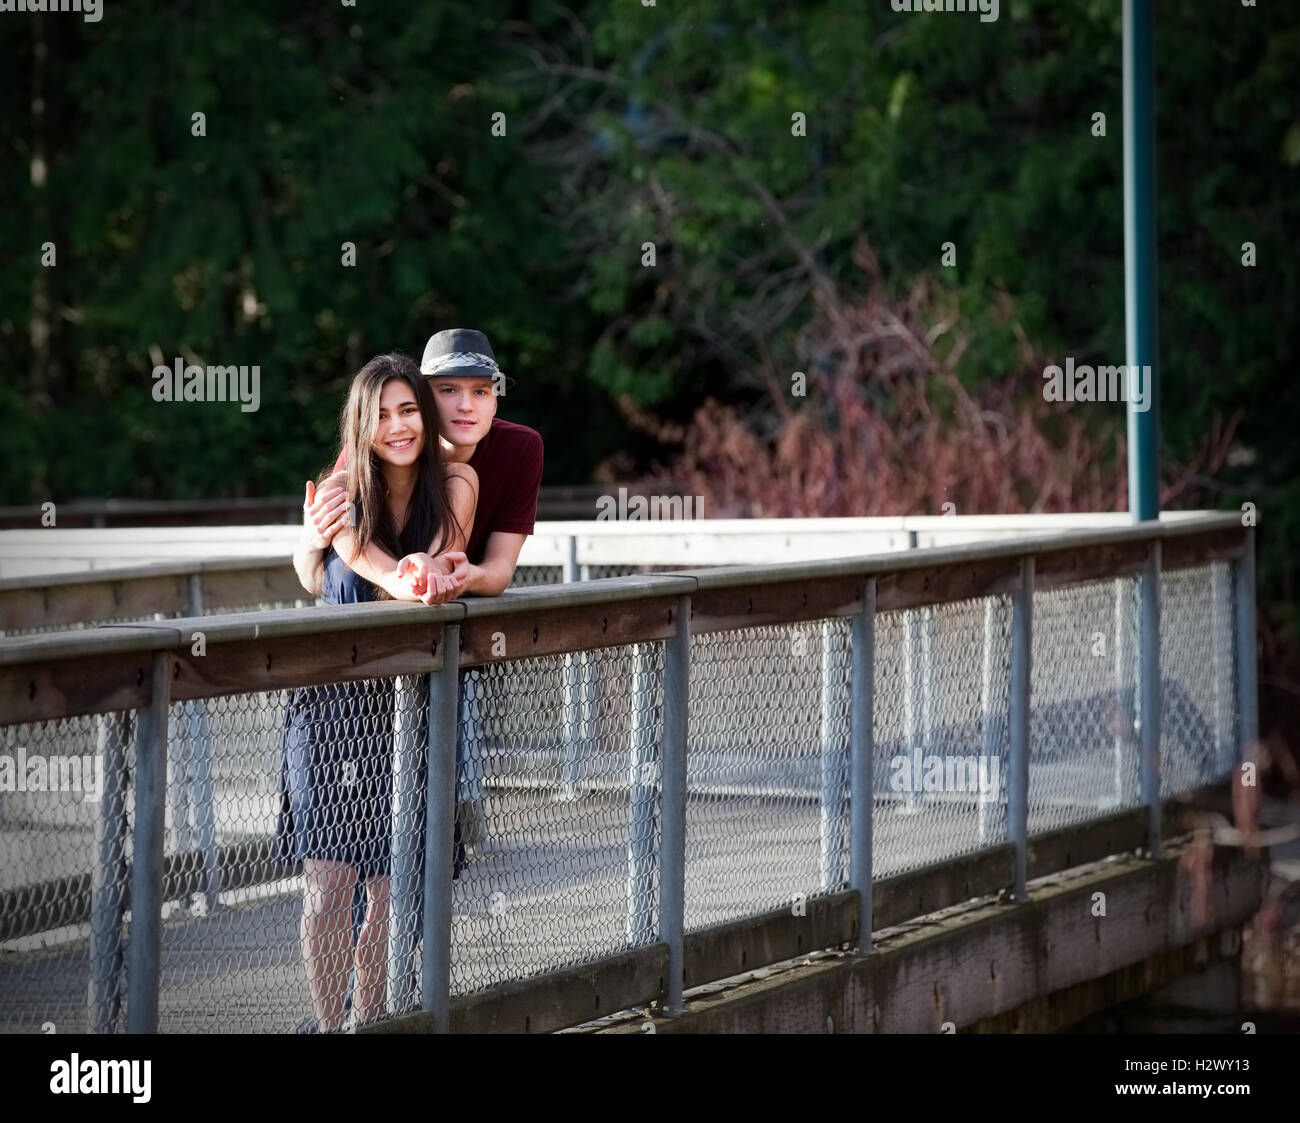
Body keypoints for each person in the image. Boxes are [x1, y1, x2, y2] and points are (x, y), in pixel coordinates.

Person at [277, 352, 478, 1033]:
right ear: (360, 425)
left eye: (409, 409)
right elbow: (339, 568)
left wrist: (428, 569)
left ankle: (375, 1022)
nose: (398, 425)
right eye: (383, 413)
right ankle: (330, 1027)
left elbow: (446, 556)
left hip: (412, 707)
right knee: (328, 882)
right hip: (332, 703)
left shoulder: (456, 481)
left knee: (393, 887)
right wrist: (314, 540)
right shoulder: (342, 489)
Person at [295, 328, 544, 849]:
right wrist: (312, 538)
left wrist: (459, 575)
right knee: (333, 850)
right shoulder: (379, 442)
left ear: (497, 393)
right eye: (448, 390)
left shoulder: (514, 451)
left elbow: (497, 570)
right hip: (347, 665)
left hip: (431, 647)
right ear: (422, 394)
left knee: (413, 836)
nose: (466, 405)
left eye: (481, 390)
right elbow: (317, 572)